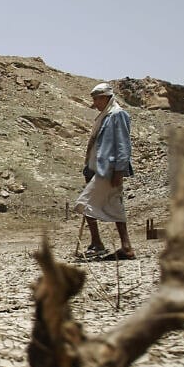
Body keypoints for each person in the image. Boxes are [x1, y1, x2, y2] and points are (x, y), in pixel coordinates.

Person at [74, 82, 135, 260]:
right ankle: (110, 245)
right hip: (97, 168)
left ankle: (109, 245)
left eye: (97, 99)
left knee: (87, 203)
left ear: (105, 98)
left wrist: (119, 171)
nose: (95, 104)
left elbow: (123, 145)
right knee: (107, 204)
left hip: (109, 170)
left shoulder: (117, 114)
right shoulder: (105, 116)